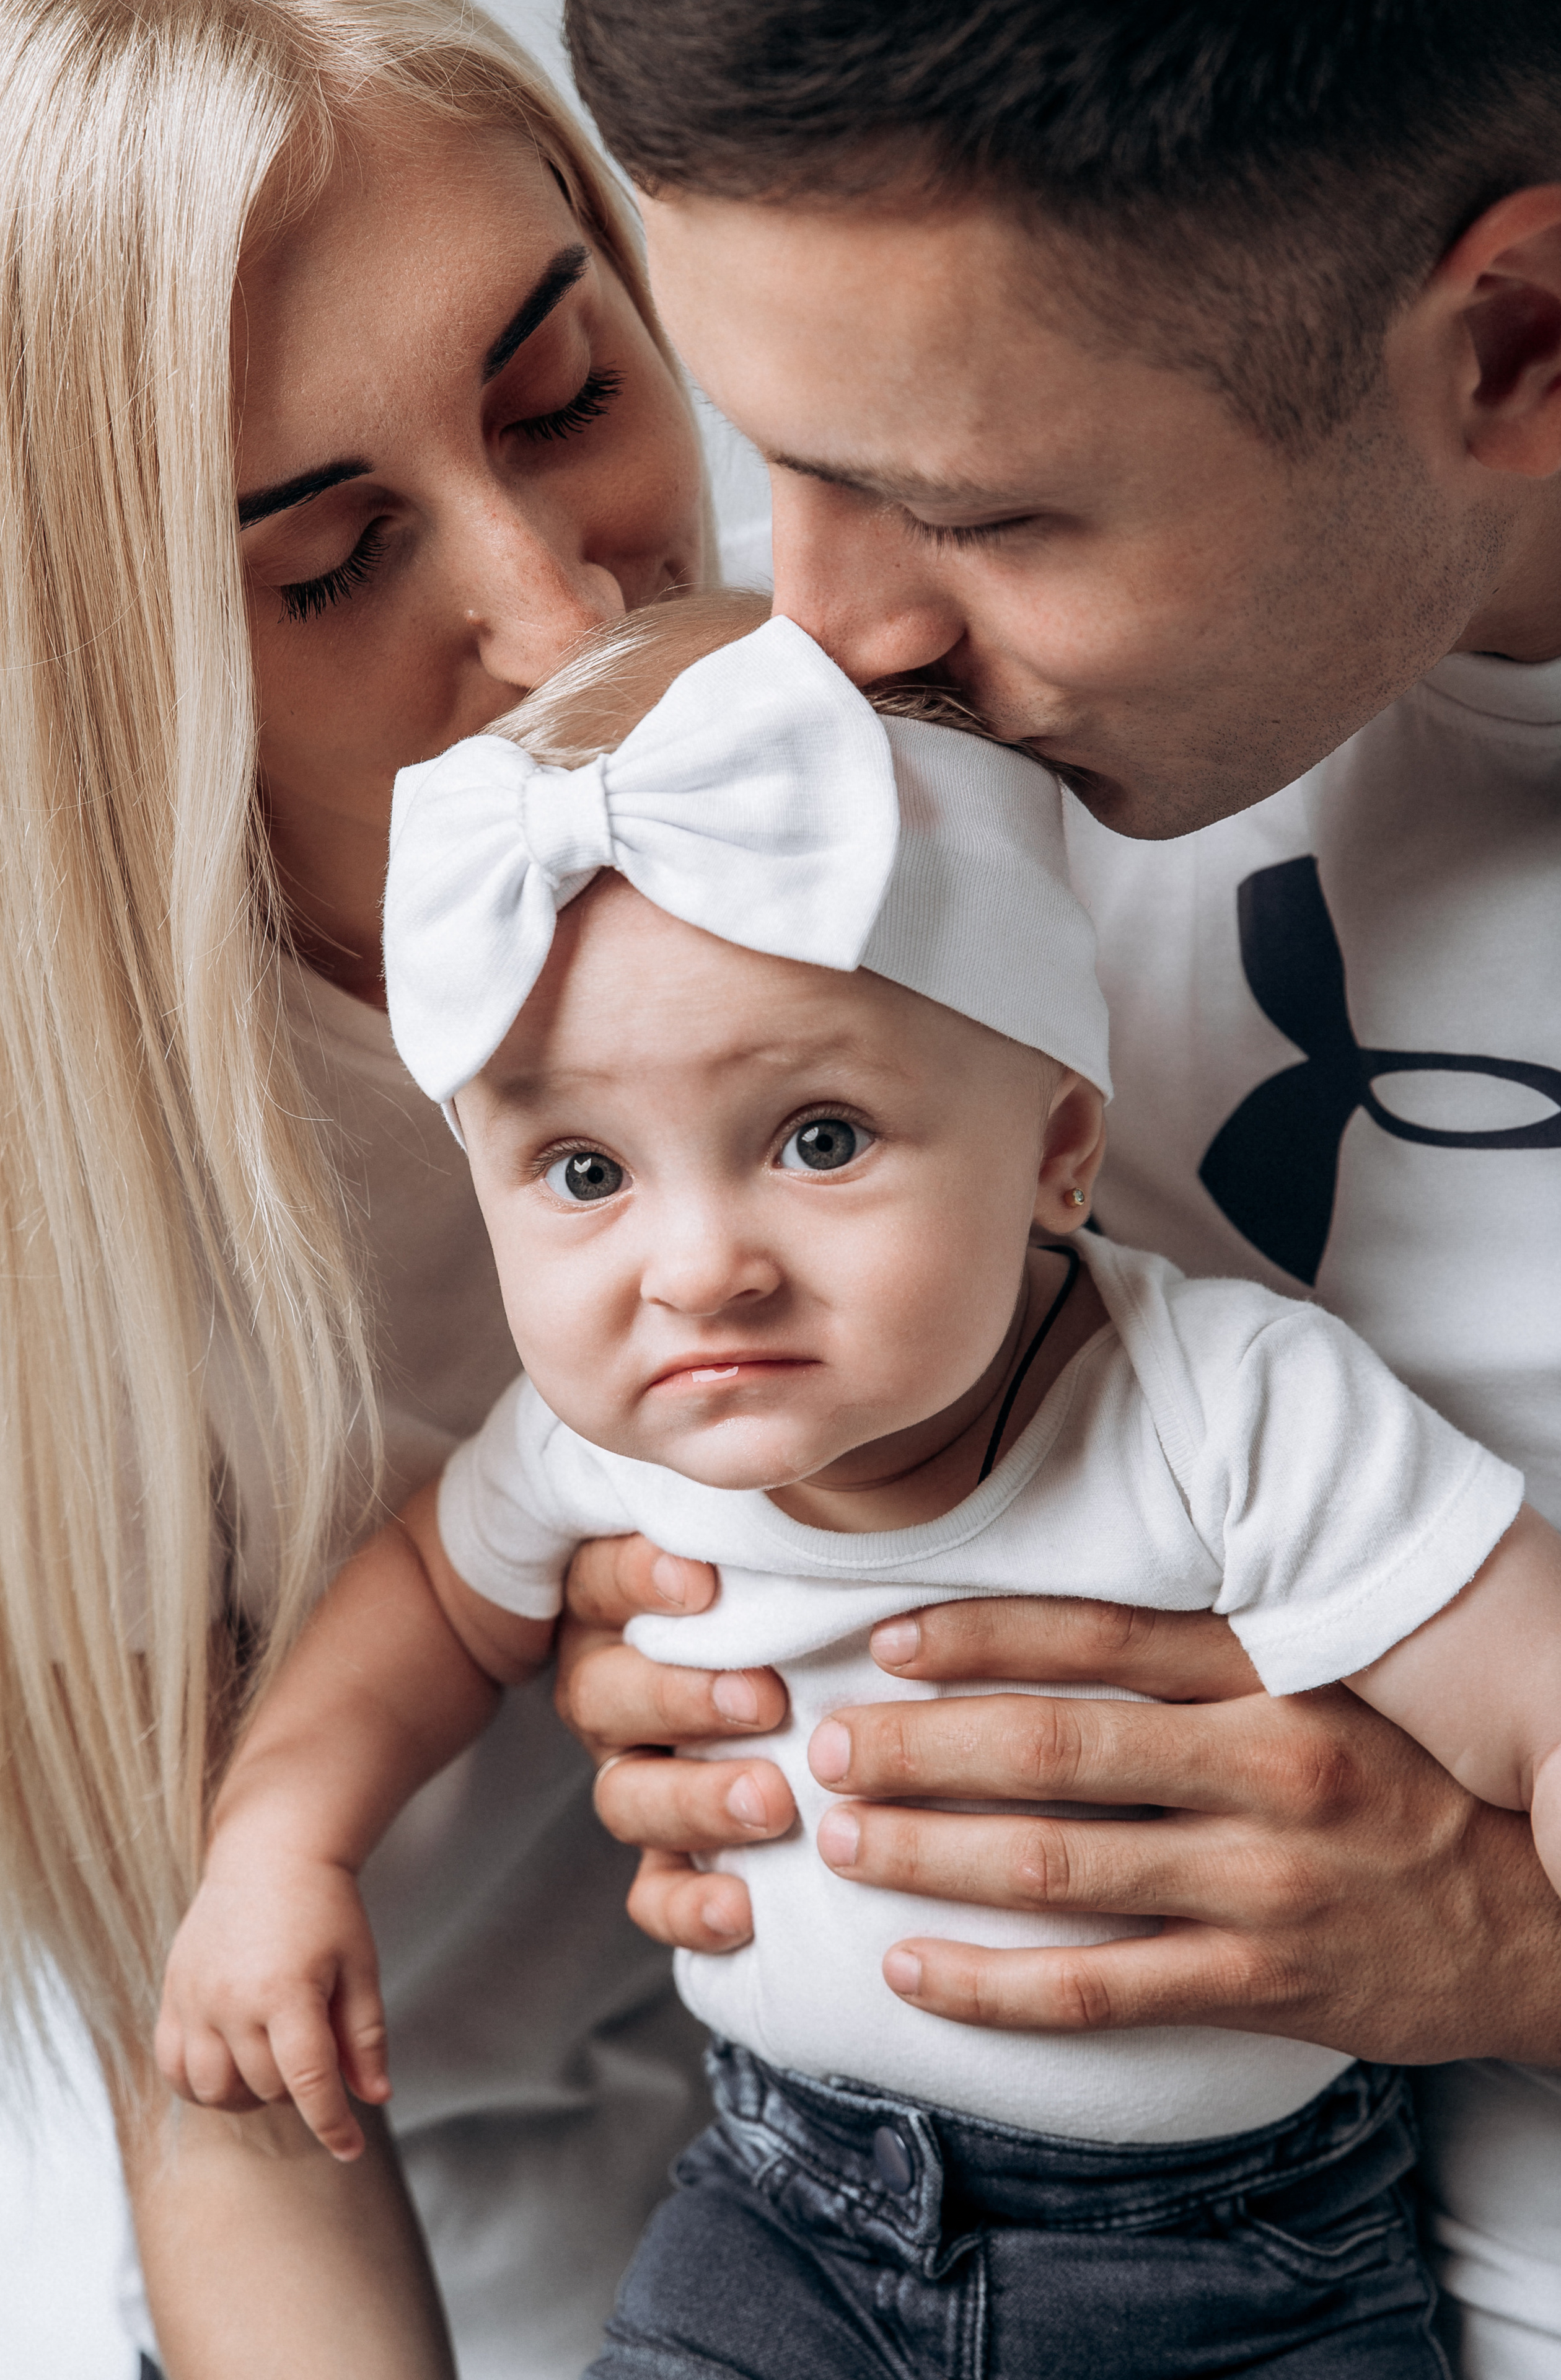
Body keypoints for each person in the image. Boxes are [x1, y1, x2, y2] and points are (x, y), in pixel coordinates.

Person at [155, 596, 1561, 2378]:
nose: (697, 1268)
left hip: (1239, 2274)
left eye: (818, 1139)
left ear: (1060, 1149)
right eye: (584, 1167)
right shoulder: (600, 1446)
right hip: (788, 2217)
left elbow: (1552, 1707)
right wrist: (282, 1839)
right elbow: (429, 1603)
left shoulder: (1227, 1408)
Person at [555, 4, 1561, 2372]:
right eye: (769, 459)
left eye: (980, 513)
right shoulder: (882, 772)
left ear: (1513, 344)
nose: (826, 640)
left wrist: (1528, 1945)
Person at [0, 3, 731, 2372]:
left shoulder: (899, 774)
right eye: (329, 563)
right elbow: (219, 2109)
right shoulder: (88, 1246)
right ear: (114, 682)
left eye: (565, 401)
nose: (562, 616)